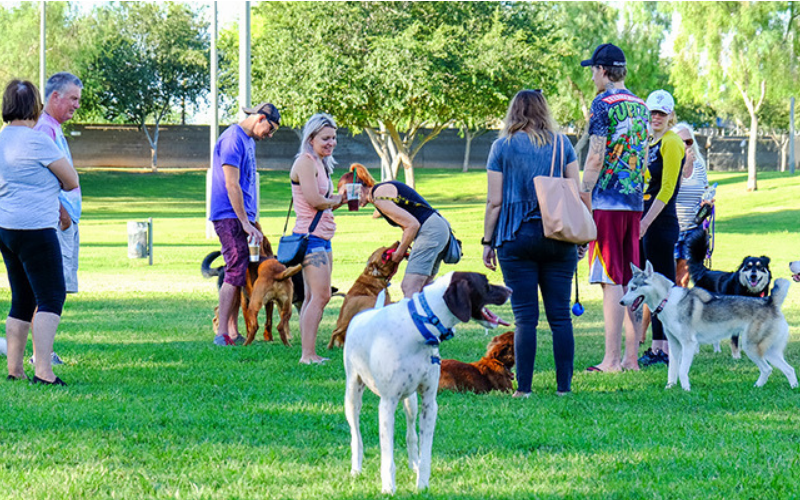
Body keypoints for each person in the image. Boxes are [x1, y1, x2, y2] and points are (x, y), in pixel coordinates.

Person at [481, 89, 581, 397]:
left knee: (525, 318)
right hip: (557, 235)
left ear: (514, 112)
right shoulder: (563, 144)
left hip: (514, 236)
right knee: (560, 317)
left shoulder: (501, 147)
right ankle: (564, 388)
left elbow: (494, 202)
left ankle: (523, 389)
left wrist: (487, 240)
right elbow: (575, 192)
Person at [0, 79, 78, 385]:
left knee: (21, 297)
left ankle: (14, 369)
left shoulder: (2, 140)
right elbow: (71, 181)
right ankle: (44, 371)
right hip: (37, 228)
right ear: (35, 105)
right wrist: (49, 181)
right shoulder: (38, 141)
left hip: (6, 229)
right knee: (51, 296)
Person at [579, 43, 649, 373]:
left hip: (607, 201)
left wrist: (583, 193)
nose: (592, 76)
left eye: (593, 70)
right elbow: (645, 157)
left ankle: (610, 360)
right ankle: (631, 359)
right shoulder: (641, 106)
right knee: (631, 278)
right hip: (634, 201)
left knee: (611, 280)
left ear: (603, 71)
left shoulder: (603, 104)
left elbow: (595, 155)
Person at [209, 102, 280, 346]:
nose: (269, 135)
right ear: (260, 118)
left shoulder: (248, 141)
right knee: (234, 270)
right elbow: (232, 184)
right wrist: (244, 222)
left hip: (244, 217)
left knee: (241, 270)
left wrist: (251, 221)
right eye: (270, 129)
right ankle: (222, 335)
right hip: (229, 216)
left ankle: (233, 331)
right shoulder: (233, 139)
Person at [31, 72, 83, 366]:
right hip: (56, 221)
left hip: (66, 221)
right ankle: (42, 354)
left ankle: (43, 350)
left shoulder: (54, 128)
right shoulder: (44, 130)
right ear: (55, 97)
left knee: (54, 288)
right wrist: (61, 212)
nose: (76, 105)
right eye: (72, 99)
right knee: (48, 289)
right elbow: (44, 177)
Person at [341, 164, 453, 300]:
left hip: (430, 231)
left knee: (409, 286)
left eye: (348, 195)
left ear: (357, 189)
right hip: (438, 228)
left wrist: (399, 253)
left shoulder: (379, 198)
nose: (347, 201)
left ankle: (417, 318)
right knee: (424, 287)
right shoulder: (380, 194)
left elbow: (412, 225)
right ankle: (446, 300)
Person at [290, 113, 344, 364]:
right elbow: (314, 201)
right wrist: (339, 200)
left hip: (323, 237)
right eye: (325, 138)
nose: (331, 142)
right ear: (310, 139)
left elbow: (324, 204)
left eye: (333, 137)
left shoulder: (321, 164)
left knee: (313, 297)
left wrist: (340, 201)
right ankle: (307, 355)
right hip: (311, 239)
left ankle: (309, 351)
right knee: (321, 296)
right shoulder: (305, 162)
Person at [637, 90, 685, 367]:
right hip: (646, 218)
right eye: (653, 112)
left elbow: (667, 188)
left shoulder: (672, 142)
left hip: (661, 221)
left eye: (661, 113)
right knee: (652, 285)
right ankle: (658, 347)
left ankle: (665, 348)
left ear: (670, 116)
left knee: (663, 285)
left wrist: (646, 221)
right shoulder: (650, 142)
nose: (656, 118)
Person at [672, 122, 710, 287]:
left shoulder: (699, 166)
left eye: (689, 141)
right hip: (671, 228)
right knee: (666, 276)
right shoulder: (668, 165)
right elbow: (670, 189)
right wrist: (684, 165)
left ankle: (678, 312)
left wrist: (707, 201)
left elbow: (705, 190)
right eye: (681, 141)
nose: (686, 145)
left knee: (684, 278)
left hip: (692, 228)